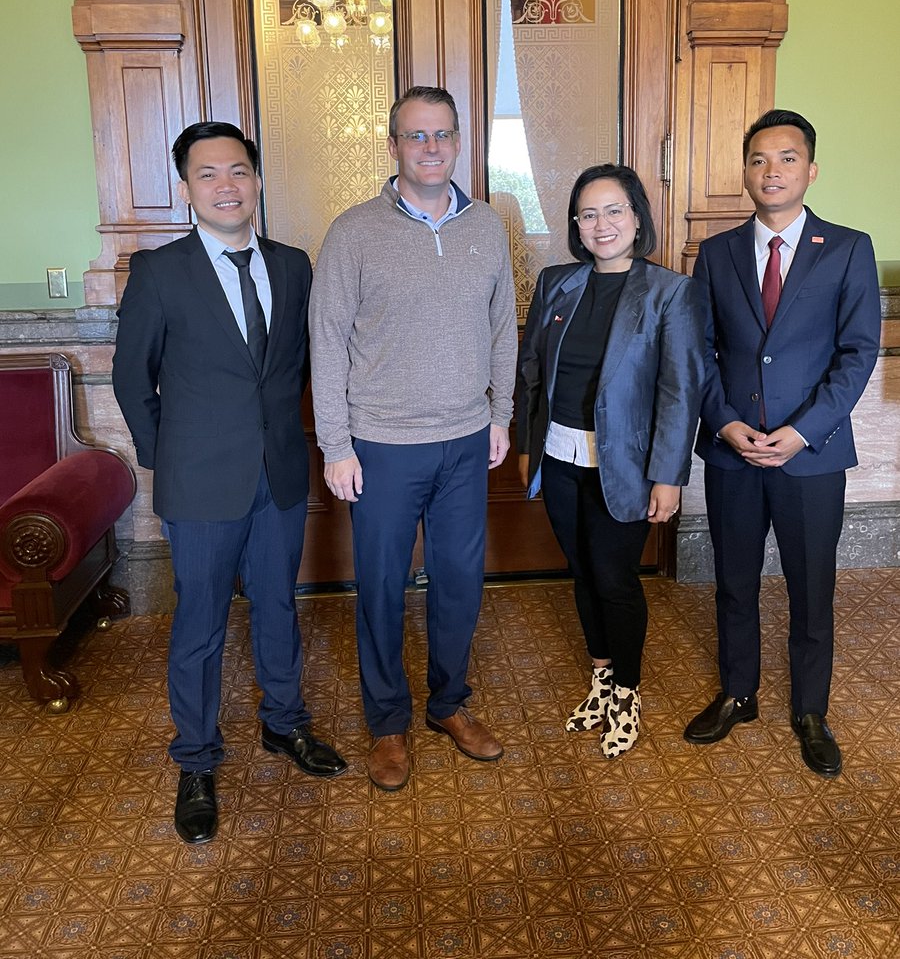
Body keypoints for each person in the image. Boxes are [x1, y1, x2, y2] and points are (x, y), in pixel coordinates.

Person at [112, 121, 347, 845]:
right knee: (200, 625)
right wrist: (171, 458)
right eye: (209, 174)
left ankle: (285, 727)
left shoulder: (294, 265)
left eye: (238, 171)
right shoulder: (160, 272)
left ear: (257, 180)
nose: (226, 185)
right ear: (187, 187)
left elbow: (299, 369)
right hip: (199, 484)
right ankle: (196, 760)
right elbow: (130, 379)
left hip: (276, 475)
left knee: (279, 607)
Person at [309, 86, 517, 791]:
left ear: (458, 143)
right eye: (415, 135)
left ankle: (449, 705)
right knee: (382, 589)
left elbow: (502, 329)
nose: (430, 147)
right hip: (381, 446)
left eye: (442, 135)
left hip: (465, 439)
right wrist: (336, 443)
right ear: (393, 145)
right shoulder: (354, 231)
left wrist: (501, 414)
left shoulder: (488, 225)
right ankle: (388, 723)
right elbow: (328, 339)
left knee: (459, 584)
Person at [683, 109, 881, 778]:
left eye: (787, 158)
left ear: (811, 169)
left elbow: (856, 356)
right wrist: (724, 422)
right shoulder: (715, 255)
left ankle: (809, 711)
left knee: (811, 588)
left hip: (812, 456)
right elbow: (699, 354)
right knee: (734, 584)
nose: (772, 172)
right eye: (760, 159)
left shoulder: (849, 248)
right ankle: (738, 693)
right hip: (732, 453)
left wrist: (802, 431)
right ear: (745, 171)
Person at [517, 164, 705, 757]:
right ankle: (601, 683)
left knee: (615, 578)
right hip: (560, 457)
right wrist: (528, 448)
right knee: (581, 571)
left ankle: (627, 694)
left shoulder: (667, 292)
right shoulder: (556, 284)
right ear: (576, 224)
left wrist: (667, 476)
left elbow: (680, 391)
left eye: (614, 211)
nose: (602, 225)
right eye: (588, 214)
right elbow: (530, 375)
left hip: (625, 466)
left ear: (637, 218)